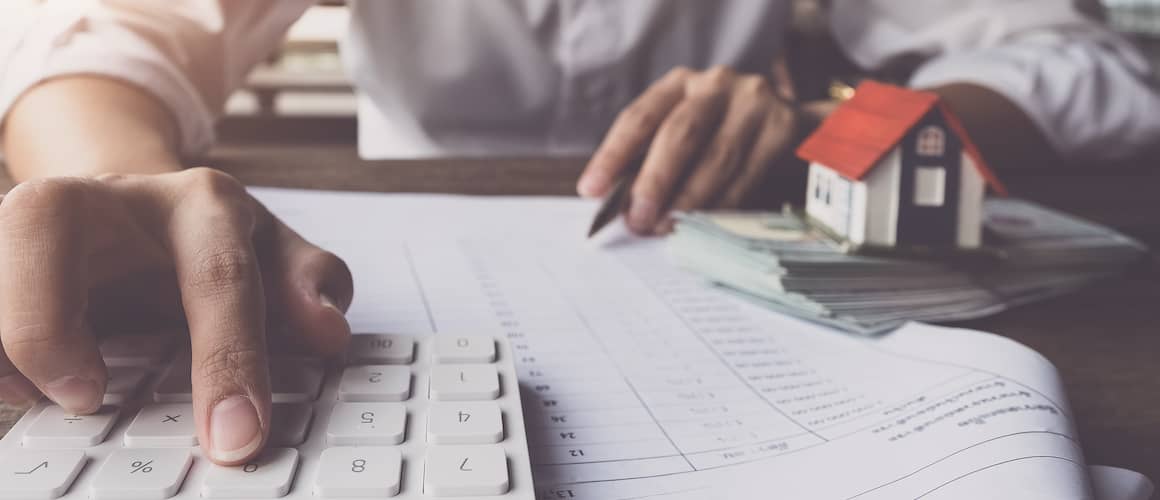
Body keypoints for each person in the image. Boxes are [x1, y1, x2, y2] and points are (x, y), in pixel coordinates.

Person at [0, 0, 1157, 466]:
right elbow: (96, 40)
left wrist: (835, 121)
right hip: (394, 290)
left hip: (726, 262)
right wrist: (131, 192)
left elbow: (1081, 61)